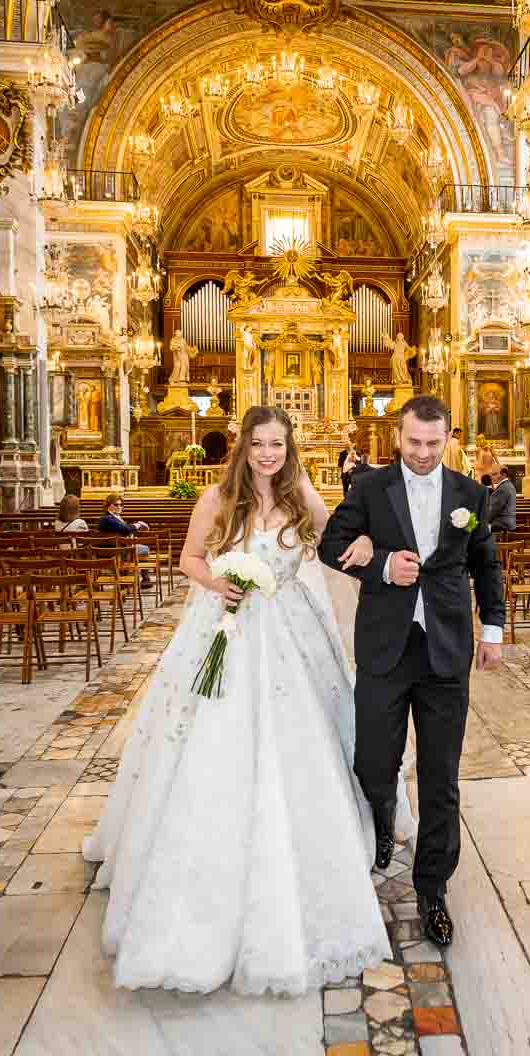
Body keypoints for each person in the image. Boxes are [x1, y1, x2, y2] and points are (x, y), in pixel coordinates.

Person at [83, 406, 414, 995]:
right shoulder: (216, 497)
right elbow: (188, 557)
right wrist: (218, 582)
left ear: (289, 449)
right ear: (243, 447)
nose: (267, 454)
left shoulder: (301, 498)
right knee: (212, 742)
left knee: (306, 739)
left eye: (277, 445)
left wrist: (372, 547)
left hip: (292, 628)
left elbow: (337, 540)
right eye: (259, 444)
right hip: (226, 626)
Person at [320, 394, 506, 949]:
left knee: (441, 774)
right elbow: (330, 545)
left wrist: (491, 630)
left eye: (433, 443)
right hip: (385, 648)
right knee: (374, 759)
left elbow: (485, 563)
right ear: (397, 438)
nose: (423, 454)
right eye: (413, 442)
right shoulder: (369, 488)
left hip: (446, 651)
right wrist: (381, 564)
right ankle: (380, 822)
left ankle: (432, 888)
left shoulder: (471, 495)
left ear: (448, 438)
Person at [97, 493, 152, 587]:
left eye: (121, 505)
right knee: (144, 549)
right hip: (114, 550)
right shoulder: (107, 518)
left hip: (120, 547)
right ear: (108, 505)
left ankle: (128, 576)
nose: (119, 507)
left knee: (141, 548)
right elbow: (125, 529)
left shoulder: (114, 517)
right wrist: (139, 524)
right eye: (116, 505)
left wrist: (131, 535)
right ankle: (145, 579)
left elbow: (124, 530)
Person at [487, 466, 516, 532]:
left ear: (504, 475)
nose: (491, 477)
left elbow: (492, 511)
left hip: (500, 525)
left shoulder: (502, 489)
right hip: (507, 524)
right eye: (491, 474)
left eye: (494, 474)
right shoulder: (508, 485)